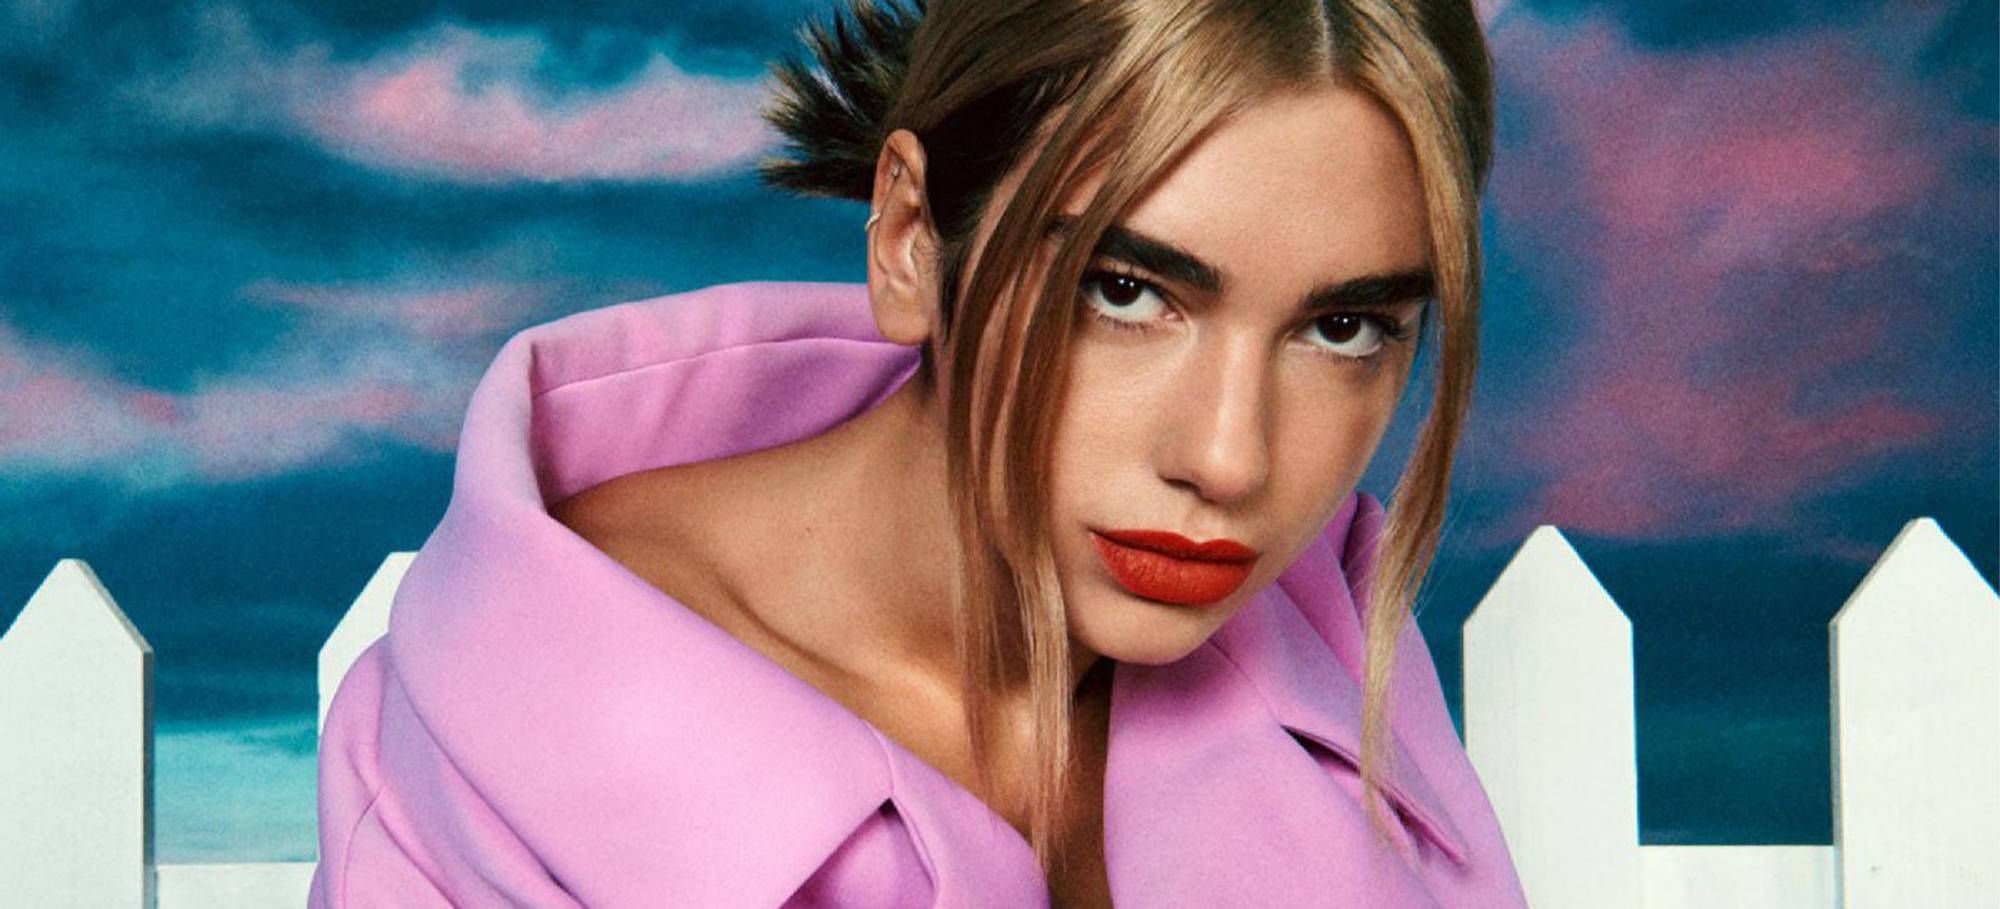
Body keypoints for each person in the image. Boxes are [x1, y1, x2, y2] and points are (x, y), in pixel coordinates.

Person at [308, 0, 1526, 905]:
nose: (1228, 460)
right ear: (906, 238)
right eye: (1121, 289)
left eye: (1341, 327)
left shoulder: (1322, 624)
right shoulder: (496, 759)